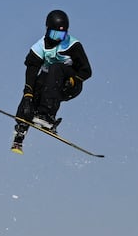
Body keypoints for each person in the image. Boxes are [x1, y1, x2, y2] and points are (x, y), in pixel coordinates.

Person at [12, 10, 92, 153]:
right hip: (50, 86)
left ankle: (47, 116)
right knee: (36, 84)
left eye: (61, 35)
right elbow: (31, 71)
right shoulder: (40, 47)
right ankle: (21, 131)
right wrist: (28, 95)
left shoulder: (73, 45)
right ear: (47, 30)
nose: (57, 39)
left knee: (55, 67)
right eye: (54, 34)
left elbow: (87, 71)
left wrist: (74, 80)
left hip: (70, 86)